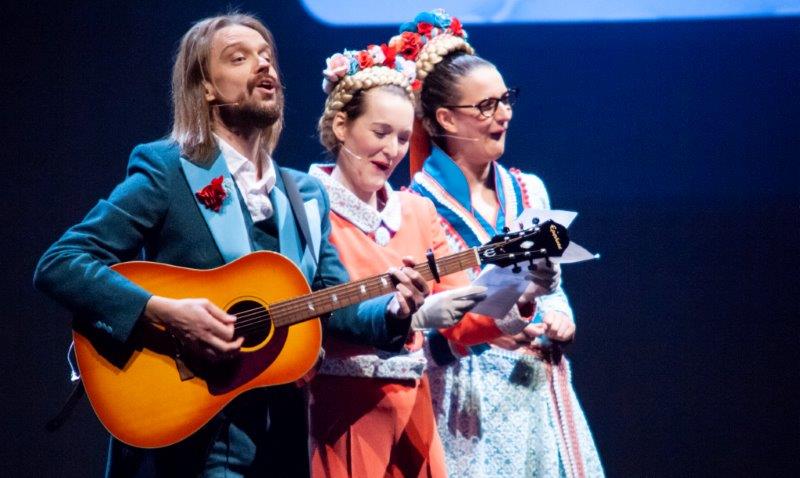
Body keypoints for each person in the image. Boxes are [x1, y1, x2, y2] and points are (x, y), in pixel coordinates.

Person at [32, 13, 429, 478]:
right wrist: (166, 312)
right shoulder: (168, 169)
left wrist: (394, 311)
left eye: (267, 57)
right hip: (189, 439)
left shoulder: (305, 194)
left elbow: (330, 303)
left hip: (279, 441)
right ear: (205, 88)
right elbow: (61, 263)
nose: (263, 66)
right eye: (239, 58)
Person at [307, 36, 544, 477]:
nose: (393, 150)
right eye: (380, 133)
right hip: (345, 409)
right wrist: (409, 314)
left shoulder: (415, 211)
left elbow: (465, 316)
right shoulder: (309, 205)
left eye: (402, 137)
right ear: (341, 126)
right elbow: (322, 311)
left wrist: (524, 294)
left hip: (415, 413)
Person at [401, 9, 605, 478]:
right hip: (467, 403)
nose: (504, 114)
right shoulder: (416, 207)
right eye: (486, 106)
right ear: (445, 118)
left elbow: (553, 288)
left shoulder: (530, 190)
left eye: (506, 99)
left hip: (537, 390)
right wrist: (487, 331)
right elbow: (420, 330)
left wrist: (560, 318)